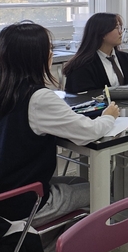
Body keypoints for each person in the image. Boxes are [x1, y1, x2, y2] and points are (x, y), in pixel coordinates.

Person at [0, 22, 119, 240]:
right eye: (49, 49)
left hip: (7, 193)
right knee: (104, 192)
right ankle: (62, 248)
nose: (52, 54)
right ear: (35, 57)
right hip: (22, 203)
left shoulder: (7, 90)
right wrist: (108, 117)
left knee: (82, 184)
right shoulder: (38, 98)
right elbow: (89, 132)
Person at [63, 13, 128, 194]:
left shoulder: (125, 59)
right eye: (116, 27)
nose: (121, 31)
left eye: (121, 27)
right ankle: (126, 190)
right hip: (98, 121)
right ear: (102, 33)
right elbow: (83, 101)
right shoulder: (82, 65)